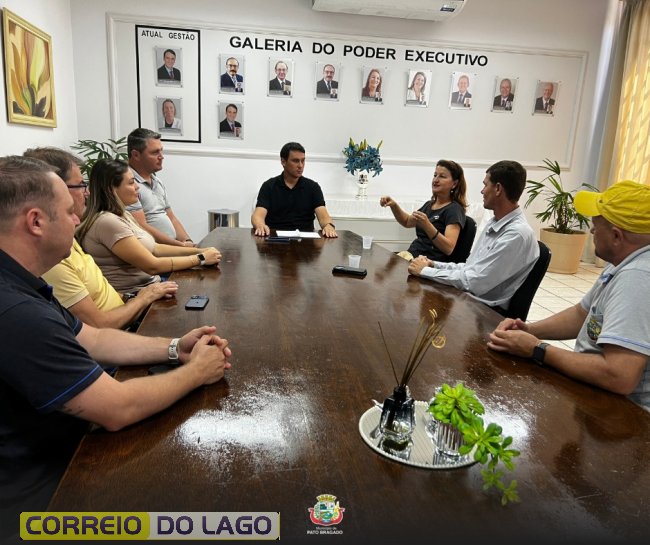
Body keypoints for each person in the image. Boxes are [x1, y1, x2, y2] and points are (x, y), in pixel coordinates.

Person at [0, 155, 231, 543]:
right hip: (41, 495)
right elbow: (116, 408)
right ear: (36, 222)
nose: (78, 219)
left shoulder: (21, 282)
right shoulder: (15, 311)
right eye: (68, 211)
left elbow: (93, 338)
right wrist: (197, 372)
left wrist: (175, 348)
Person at [488, 180, 650, 410]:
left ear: (616, 236)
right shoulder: (623, 261)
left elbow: (619, 375)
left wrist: (538, 349)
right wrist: (528, 331)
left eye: (596, 224)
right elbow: (581, 314)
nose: (591, 230)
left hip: (624, 414)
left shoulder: (638, 277)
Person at [23, 147, 178, 329]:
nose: (87, 192)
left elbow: (105, 295)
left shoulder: (68, 241)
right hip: (122, 328)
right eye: (81, 185)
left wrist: (135, 298)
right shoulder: (53, 260)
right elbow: (98, 328)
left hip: (130, 308)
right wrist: (144, 297)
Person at [408, 160, 539, 310]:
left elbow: (473, 283)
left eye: (485, 185)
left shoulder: (516, 234)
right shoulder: (495, 223)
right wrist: (433, 264)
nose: (482, 191)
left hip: (483, 310)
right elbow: (470, 269)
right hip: (469, 298)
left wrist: (425, 271)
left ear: (497, 189)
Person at [77, 159, 221, 294]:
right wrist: (201, 258)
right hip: (135, 295)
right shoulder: (107, 222)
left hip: (153, 286)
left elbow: (155, 248)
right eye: (131, 183)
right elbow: (152, 265)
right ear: (111, 190)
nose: (137, 187)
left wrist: (197, 250)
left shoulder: (123, 214)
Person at [380, 160, 467, 262]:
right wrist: (394, 205)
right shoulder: (429, 205)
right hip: (411, 256)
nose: (436, 180)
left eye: (442, 176)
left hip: (427, 263)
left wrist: (427, 225)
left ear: (454, 184)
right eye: (435, 175)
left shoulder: (454, 209)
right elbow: (407, 222)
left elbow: (448, 248)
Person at [251, 142, 337, 237]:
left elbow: (323, 216)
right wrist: (260, 225)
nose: (300, 165)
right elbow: (258, 215)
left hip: (306, 240)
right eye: (296, 161)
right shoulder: (269, 186)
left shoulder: (313, 187)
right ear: (283, 162)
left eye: (303, 161)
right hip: (275, 238)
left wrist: (328, 225)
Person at [127, 128, 194, 246]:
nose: (161, 157)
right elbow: (140, 225)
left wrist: (188, 242)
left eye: (161, 151)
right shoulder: (128, 184)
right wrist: (179, 246)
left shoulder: (157, 182)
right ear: (136, 155)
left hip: (174, 246)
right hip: (155, 249)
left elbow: (172, 218)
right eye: (155, 152)